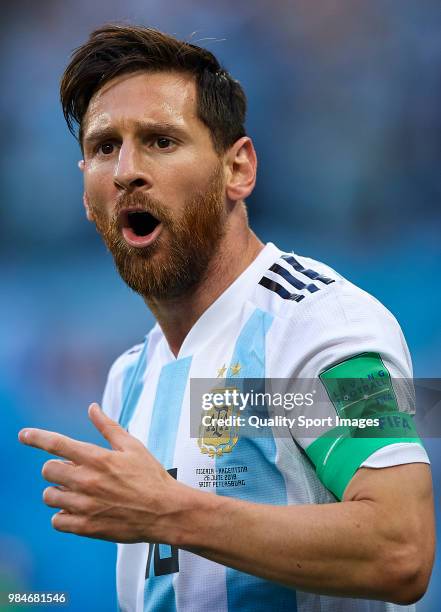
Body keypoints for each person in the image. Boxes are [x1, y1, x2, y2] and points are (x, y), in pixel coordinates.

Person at [19, 24, 435, 612]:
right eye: (105, 146)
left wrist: (169, 510)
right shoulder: (130, 377)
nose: (126, 170)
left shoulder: (319, 324)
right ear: (88, 197)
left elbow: (401, 548)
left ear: (237, 169)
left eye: (162, 141)